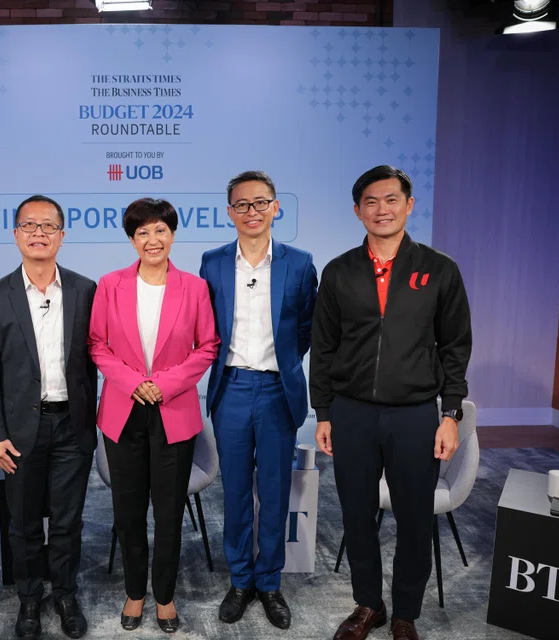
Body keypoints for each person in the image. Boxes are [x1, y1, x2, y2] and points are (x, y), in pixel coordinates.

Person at [310, 165, 472, 640]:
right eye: (372, 202)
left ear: (409, 205)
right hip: (352, 412)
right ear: (358, 210)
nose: (382, 210)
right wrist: (323, 411)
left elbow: (455, 346)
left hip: (415, 414)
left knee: (415, 519)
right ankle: (369, 605)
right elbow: (323, 347)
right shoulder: (339, 271)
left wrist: (451, 413)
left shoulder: (439, 269)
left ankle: (405, 613)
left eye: (392, 200)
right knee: (357, 515)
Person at [88, 198, 219, 634]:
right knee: (128, 514)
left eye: (160, 230)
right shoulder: (110, 285)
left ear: (172, 234)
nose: (152, 239)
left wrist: (163, 384)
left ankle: (164, 597)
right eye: (142, 232)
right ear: (131, 239)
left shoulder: (195, 288)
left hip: (173, 411)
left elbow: (207, 347)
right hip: (123, 413)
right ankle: (134, 593)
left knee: (167, 514)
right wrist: (132, 382)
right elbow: (97, 345)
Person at [199, 170, 318, 630]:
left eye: (260, 202)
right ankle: (240, 580)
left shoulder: (300, 262)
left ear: (276, 207)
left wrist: (283, 362)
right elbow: (205, 325)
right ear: (230, 211)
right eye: (242, 204)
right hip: (230, 389)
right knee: (235, 495)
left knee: (273, 491)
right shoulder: (212, 262)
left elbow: (307, 327)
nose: (252, 211)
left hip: (276, 391)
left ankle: (269, 583)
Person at [0, 195, 97, 640]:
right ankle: (29, 597)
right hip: (19, 431)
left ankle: (65, 593)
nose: (39, 233)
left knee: (67, 520)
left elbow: (97, 360)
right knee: (23, 522)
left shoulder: (86, 290)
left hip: (72, 425)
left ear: (62, 236)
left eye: (48, 226)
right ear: (16, 235)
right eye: (29, 225)